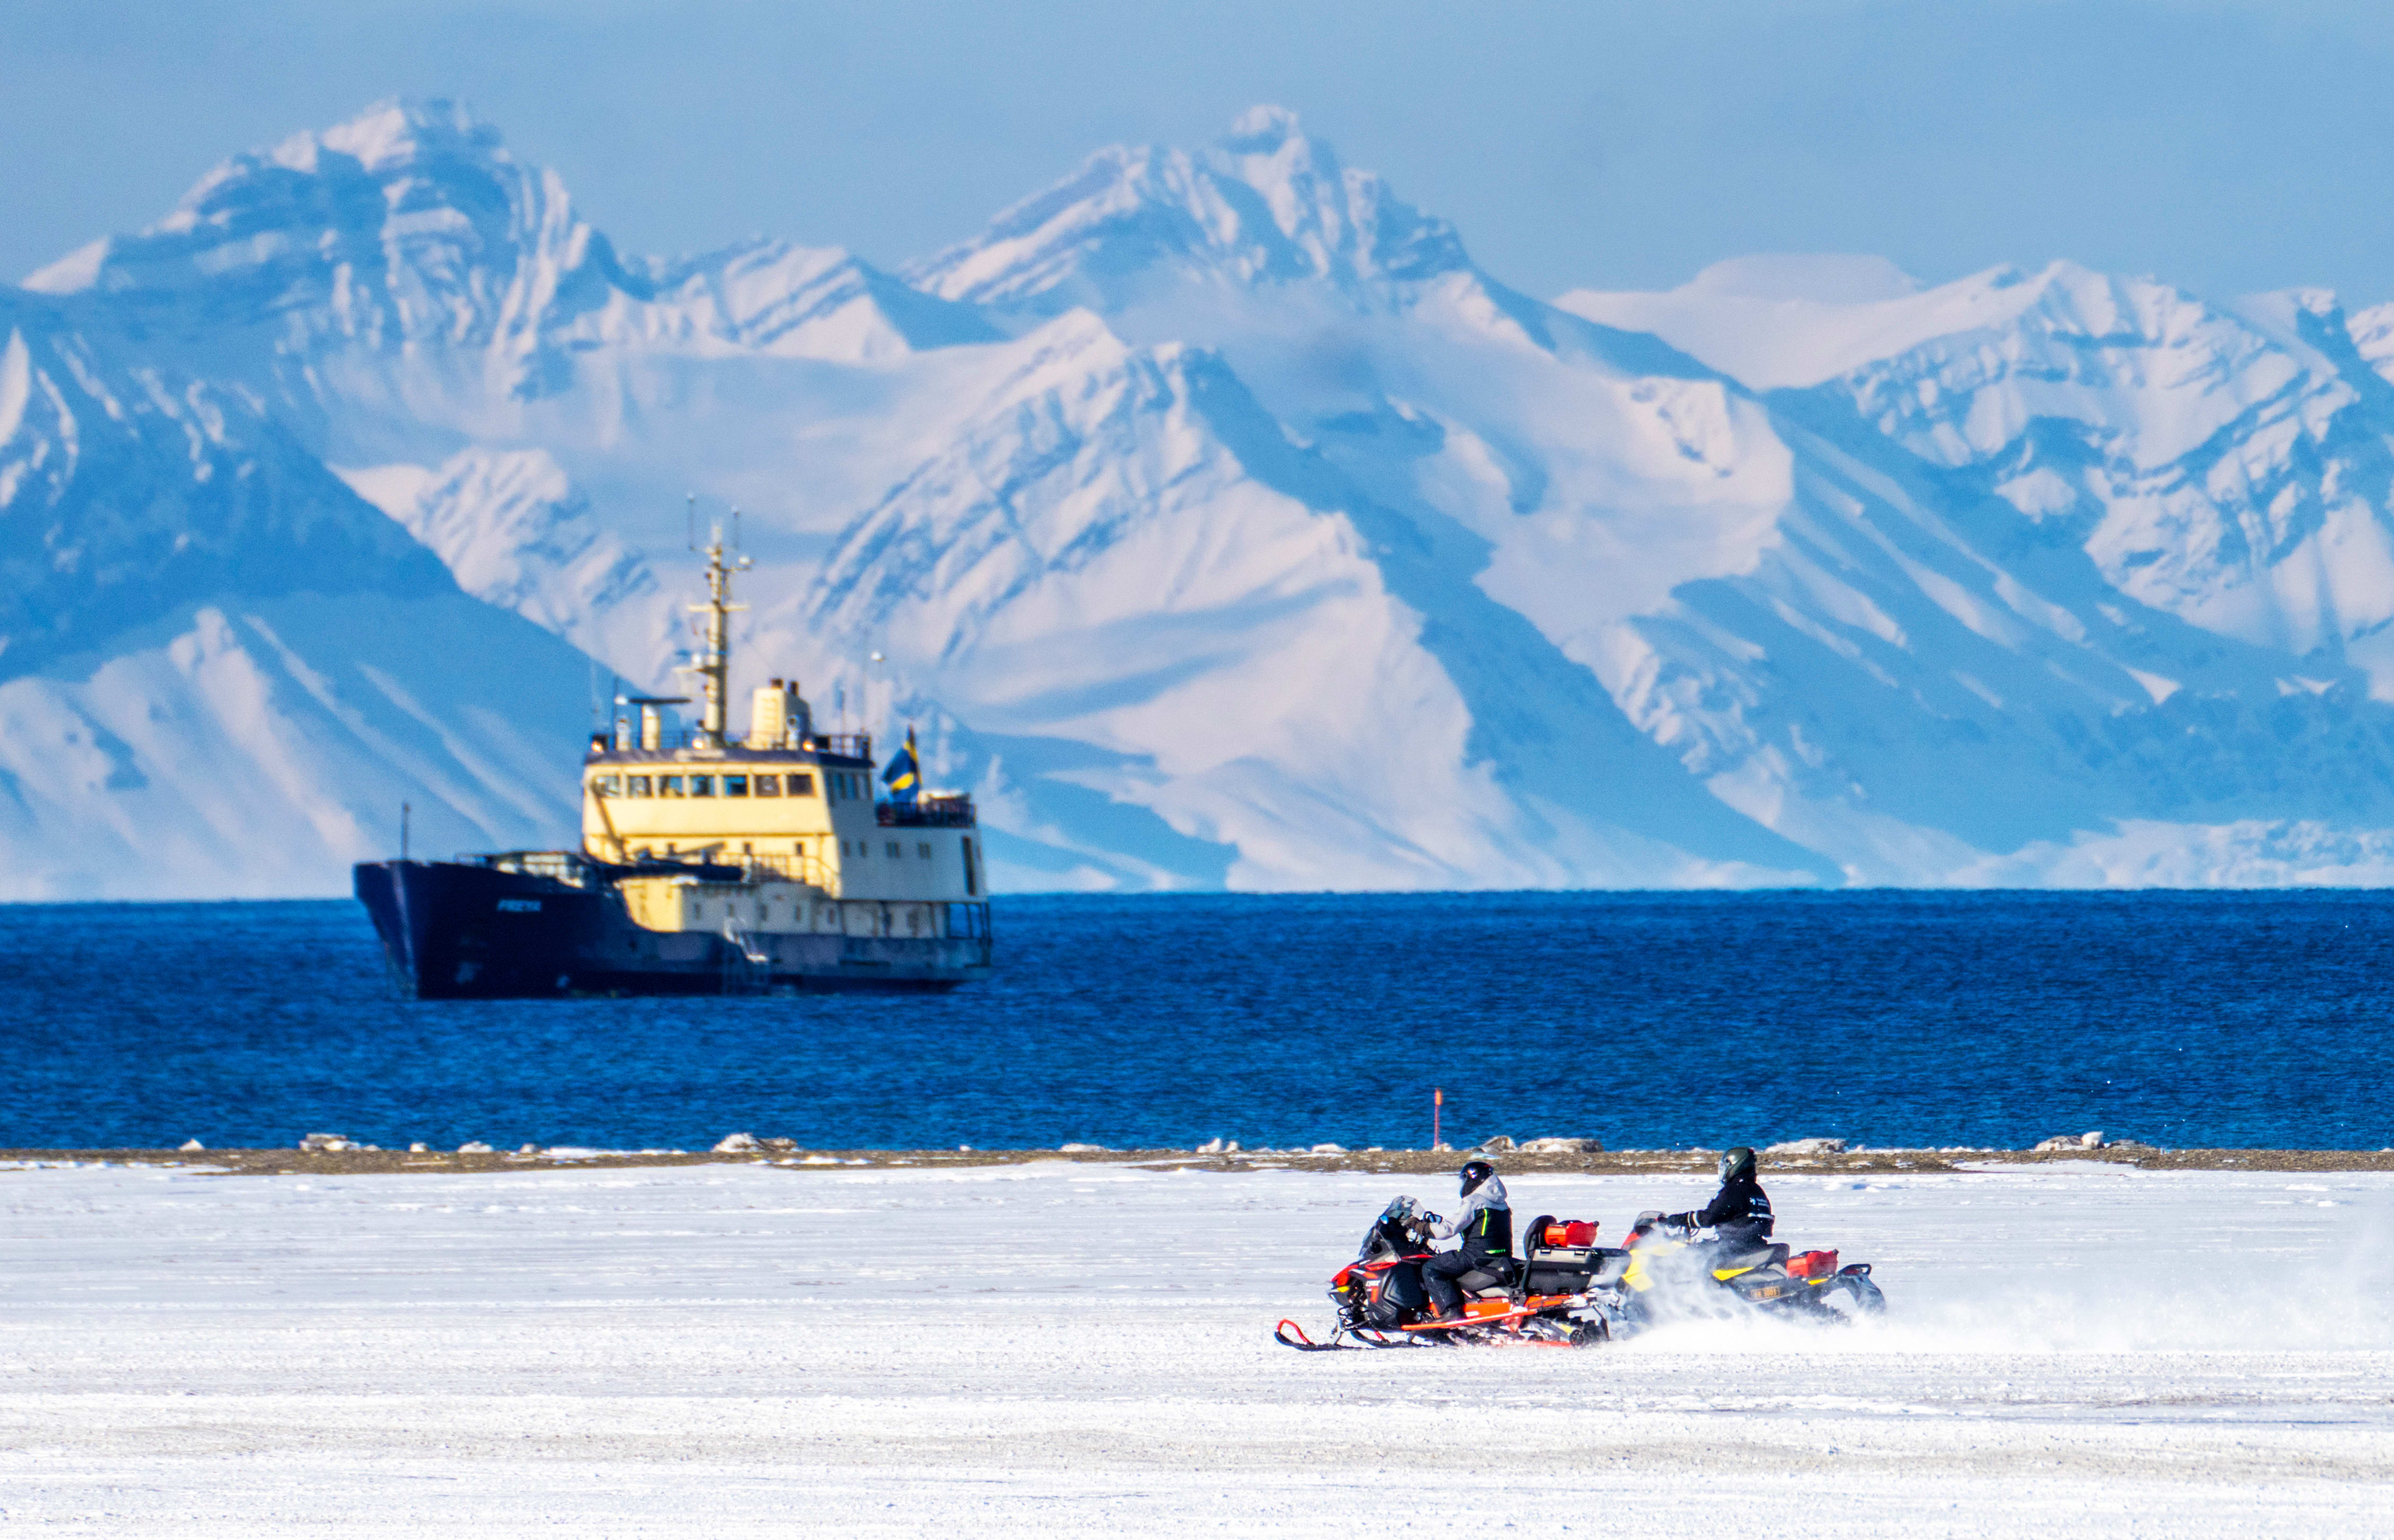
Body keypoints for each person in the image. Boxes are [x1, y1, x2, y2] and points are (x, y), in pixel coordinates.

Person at [1420, 1159, 1513, 1318]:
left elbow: (1447, 1230)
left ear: (1471, 1179)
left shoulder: (1474, 1201)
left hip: (1476, 1255)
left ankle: (1451, 1312)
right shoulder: (1501, 1202)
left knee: (1431, 1268)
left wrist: (1421, 1227)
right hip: (1501, 1255)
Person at [1661, 1145, 1774, 1253]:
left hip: (1733, 1249)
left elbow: (1709, 1218)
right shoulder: (1758, 1192)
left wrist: (1680, 1219)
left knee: (1688, 1254)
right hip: (1754, 1246)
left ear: (1732, 1164)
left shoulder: (1734, 1190)